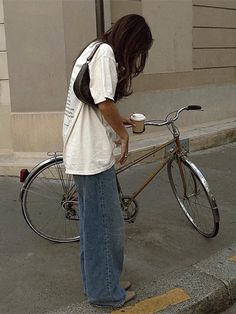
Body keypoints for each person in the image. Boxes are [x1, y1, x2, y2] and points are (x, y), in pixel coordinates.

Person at [63, 14, 153, 309]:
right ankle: (105, 293)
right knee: (105, 228)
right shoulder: (105, 54)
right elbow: (103, 102)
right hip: (91, 156)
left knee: (95, 227)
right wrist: (123, 135)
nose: (137, 58)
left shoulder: (94, 48)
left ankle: (102, 282)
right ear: (132, 41)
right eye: (139, 50)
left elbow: (98, 105)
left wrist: (119, 120)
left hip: (85, 151)